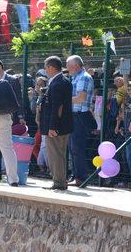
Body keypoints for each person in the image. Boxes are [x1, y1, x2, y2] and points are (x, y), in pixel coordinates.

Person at [41, 56, 73, 190]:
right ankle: (60, 181)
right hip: (64, 125)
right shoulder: (63, 81)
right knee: (59, 154)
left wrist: (52, 126)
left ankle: (59, 183)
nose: (45, 70)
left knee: (55, 154)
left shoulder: (57, 83)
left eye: (46, 67)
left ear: (51, 68)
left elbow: (57, 107)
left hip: (57, 126)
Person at [65, 55, 95, 187]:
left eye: (68, 65)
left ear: (76, 65)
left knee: (77, 148)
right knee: (72, 148)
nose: (67, 68)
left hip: (80, 116)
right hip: (74, 115)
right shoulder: (76, 77)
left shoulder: (84, 77)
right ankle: (75, 175)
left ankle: (80, 178)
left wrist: (63, 100)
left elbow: (81, 98)